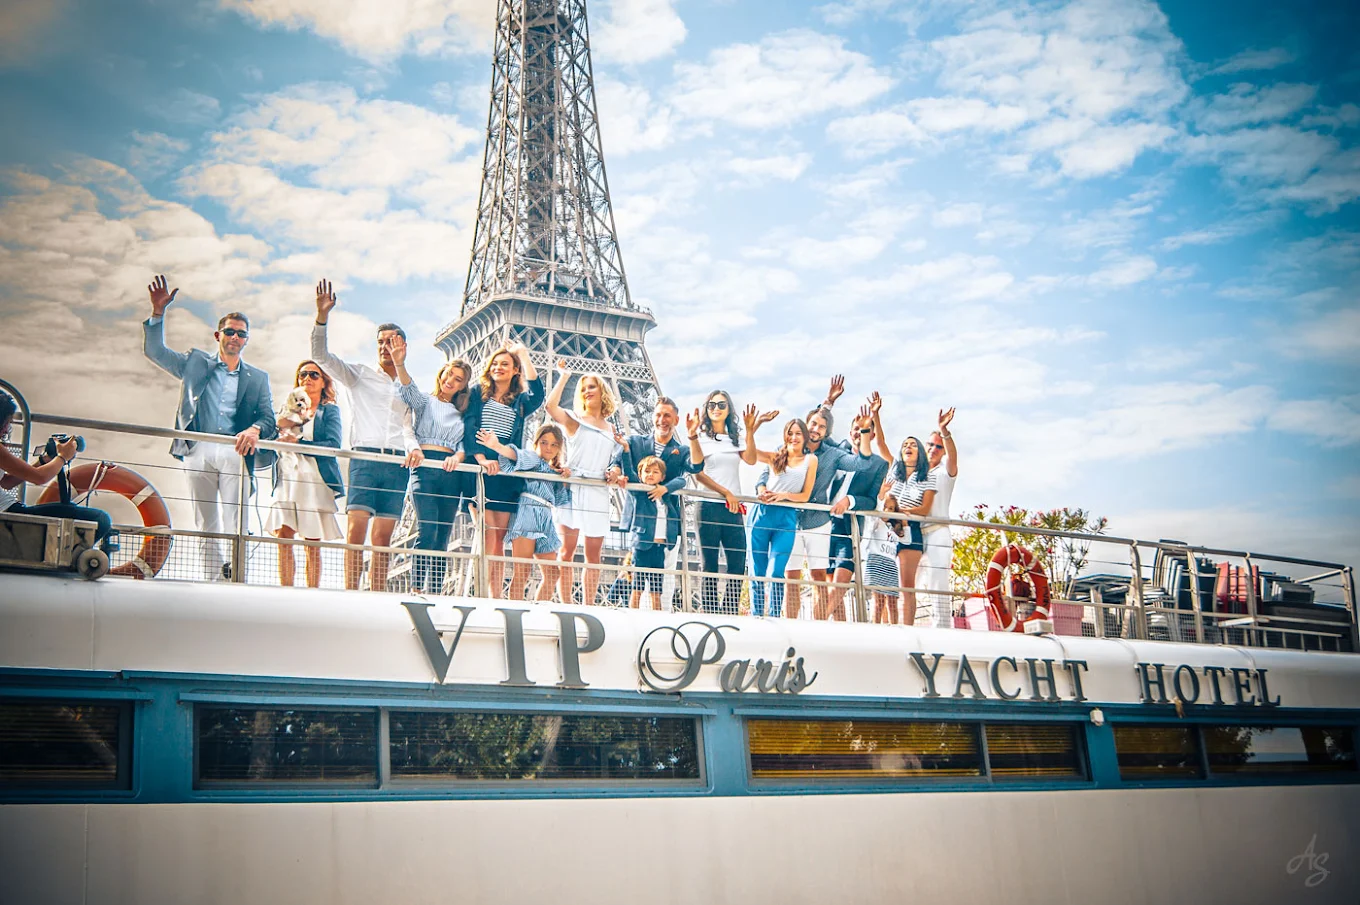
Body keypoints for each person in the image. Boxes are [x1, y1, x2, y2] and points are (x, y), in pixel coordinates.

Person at [141, 274, 276, 580]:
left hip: (234, 450)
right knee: (206, 522)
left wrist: (254, 429)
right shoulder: (195, 363)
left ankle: (237, 579)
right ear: (218, 335)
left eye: (241, 334)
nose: (235, 337)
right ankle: (212, 580)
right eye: (230, 331)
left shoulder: (258, 378)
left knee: (236, 519)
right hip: (197, 448)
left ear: (246, 340)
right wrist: (158, 313)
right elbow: (155, 352)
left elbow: (268, 418)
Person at [311, 278, 419, 592]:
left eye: (391, 341)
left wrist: (413, 448)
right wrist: (322, 317)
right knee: (355, 530)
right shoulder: (359, 375)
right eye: (381, 341)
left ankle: (377, 593)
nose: (385, 347)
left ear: (403, 346)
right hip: (365, 460)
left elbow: (408, 427)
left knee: (383, 538)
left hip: (396, 464)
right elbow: (321, 356)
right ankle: (350, 592)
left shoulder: (408, 387)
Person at [751, 398, 878, 620]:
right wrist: (762, 489)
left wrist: (865, 431)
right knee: (791, 577)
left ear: (827, 432)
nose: (816, 429)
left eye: (821, 426)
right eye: (812, 424)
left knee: (818, 576)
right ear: (805, 425)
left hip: (818, 521)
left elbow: (862, 464)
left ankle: (817, 627)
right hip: (789, 521)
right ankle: (791, 626)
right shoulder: (785, 448)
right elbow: (764, 476)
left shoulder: (834, 454)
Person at [462, 339, 544, 598]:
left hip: (506, 473)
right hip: (482, 470)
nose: (498, 367)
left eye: (505, 364)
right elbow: (469, 425)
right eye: (495, 363)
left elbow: (538, 395)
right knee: (487, 535)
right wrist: (480, 458)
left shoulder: (519, 401)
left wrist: (523, 354)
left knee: (498, 539)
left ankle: (495, 595)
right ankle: (484, 594)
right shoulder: (478, 393)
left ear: (515, 370)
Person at [607, 396, 702, 611]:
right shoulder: (634, 442)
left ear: (676, 420)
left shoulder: (682, 450)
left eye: (667, 415)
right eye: (658, 414)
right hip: (639, 522)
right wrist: (615, 474)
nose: (662, 419)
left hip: (666, 525)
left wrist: (693, 435)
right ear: (652, 417)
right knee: (637, 582)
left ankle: (659, 619)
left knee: (662, 583)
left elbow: (695, 468)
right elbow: (617, 463)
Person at [394, 345, 473, 595]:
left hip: (451, 472)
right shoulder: (425, 401)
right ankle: (417, 588)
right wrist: (400, 364)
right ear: (441, 374)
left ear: (463, 386)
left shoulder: (464, 413)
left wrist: (458, 456)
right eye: (449, 374)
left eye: (458, 379)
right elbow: (408, 390)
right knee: (427, 529)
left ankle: (436, 591)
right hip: (424, 467)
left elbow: (467, 442)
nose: (450, 380)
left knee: (443, 536)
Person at [544, 362, 621, 606]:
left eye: (592, 387)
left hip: (598, 489)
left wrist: (615, 471)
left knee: (593, 555)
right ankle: (566, 604)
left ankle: (589, 605)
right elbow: (550, 407)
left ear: (602, 391)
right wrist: (564, 376)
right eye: (584, 388)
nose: (587, 391)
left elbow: (618, 459)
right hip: (572, 487)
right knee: (566, 551)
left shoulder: (612, 428)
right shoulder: (575, 420)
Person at [266, 361, 343, 588]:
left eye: (314, 375)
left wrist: (298, 443)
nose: (307, 378)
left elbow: (333, 444)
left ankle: (312, 592)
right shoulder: (287, 407)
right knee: (283, 534)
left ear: (324, 382)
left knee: (311, 539)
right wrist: (278, 427)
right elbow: (271, 437)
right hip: (287, 476)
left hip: (313, 478)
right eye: (303, 374)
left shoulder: (329, 411)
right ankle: (286, 590)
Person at [0, 391, 113, 544]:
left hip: (9, 515)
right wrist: (63, 456)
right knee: (100, 519)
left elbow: (6, 482)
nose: (7, 429)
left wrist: (44, 460)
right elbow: (39, 478)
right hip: (10, 519)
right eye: (7, 423)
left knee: (75, 511)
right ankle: (72, 557)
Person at [476, 425, 570, 602]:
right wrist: (496, 446)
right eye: (544, 442)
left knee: (552, 573)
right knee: (522, 571)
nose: (548, 448)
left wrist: (564, 478)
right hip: (528, 512)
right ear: (536, 443)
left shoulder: (553, 470)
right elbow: (515, 455)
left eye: (554, 444)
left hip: (546, 517)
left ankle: (539, 610)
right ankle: (515, 610)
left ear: (559, 448)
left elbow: (560, 500)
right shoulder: (533, 458)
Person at [744, 413, 818, 618]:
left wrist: (783, 495)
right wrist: (753, 427)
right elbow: (747, 454)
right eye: (790, 433)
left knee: (776, 571)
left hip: (786, 517)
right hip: (762, 514)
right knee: (757, 570)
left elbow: (805, 495)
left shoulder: (810, 460)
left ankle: (775, 615)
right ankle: (757, 616)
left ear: (805, 437)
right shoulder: (775, 457)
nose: (794, 437)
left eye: (798, 433)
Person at [827, 397, 893, 620]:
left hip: (850, 527)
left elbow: (871, 501)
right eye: (855, 428)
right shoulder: (836, 451)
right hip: (823, 524)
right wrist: (828, 402)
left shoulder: (878, 464)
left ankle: (815, 621)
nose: (858, 432)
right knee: (829, 591)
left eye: (863, 429)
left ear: (870, 435)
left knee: (839, 586)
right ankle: (838, 632)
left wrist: (850, 500)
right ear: (850, 431)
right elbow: (816, 431)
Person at [690, 390, 753, 614]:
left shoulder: (736, 439)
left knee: (738, 562)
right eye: (712, 405)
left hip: (732, 507)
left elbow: (751, 460)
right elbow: (697, 472)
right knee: (709, 564)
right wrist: (726, 492)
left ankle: (729, 612)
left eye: (721, 405)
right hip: (708, 505)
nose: (716, 408)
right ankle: (710, 613)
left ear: (729, 409)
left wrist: (751, 430)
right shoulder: (700, 437)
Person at [884, 435, 937, 626]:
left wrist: (904, 511)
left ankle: (907, 628)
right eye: (905, 445)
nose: (908, 447)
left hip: (911, 529)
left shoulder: (928, 476)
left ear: (920, 452)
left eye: (913, 445)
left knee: (906, 586)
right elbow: (881, 444)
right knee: (886, 586)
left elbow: (925, 509)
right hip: (887, 531)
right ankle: (888, 627)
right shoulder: (894, 474)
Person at [917, 408, 959, 628]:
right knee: (908, 584)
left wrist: (944, 431)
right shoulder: (915, 473)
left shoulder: (946, 472)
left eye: (938, 446)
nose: (933, 449)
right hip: (915, 535)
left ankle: (943, 629)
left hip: (938, 532)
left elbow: (953, 458)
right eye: (930, 445)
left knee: (938, 584)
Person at [627, 456, 679, 611]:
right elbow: (628, 472)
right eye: (647, 471)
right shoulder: (640, 494)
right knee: (637, 588)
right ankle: (632, 616)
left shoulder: (665, 496)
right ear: (640, 474)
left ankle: (657, 618)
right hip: (642, 548)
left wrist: (664, 488)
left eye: (655, 472)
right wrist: (626, 451)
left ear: (662, 477)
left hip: (659, 548)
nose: (650, 474)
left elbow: (681, 481)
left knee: (657, 591)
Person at [863, 494, 906, 624]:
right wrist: (881, 497)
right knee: (879, 602)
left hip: (891, 565)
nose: (887, 510)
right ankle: (875, 628)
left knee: (893, 602)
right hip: (877, 562)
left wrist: (905, 524)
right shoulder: (877, 522)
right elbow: (871, 519)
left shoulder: (895, 528)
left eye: (891, 508)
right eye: (885, 507)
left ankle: (896, 628)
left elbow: (907, 540)